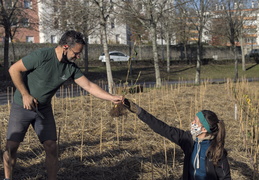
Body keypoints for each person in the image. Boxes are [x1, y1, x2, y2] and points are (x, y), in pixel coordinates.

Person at [3, 30, 123, 180]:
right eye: (76, 53)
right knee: (11, 147)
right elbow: (14, 69)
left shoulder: (70, 67)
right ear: (66, 47)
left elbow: (89, 86)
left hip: (43, 109)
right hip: (22, 106)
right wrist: (25, 94)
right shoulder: (42, 56)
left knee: (52, 147)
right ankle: (8, 178)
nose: (78, 56)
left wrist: (111, 97)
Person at [123, 98, 231, 180]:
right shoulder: (188, 141)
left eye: (195, 122)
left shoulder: (216, 151)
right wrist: (138, 111)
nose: (192, 123)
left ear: (203, 129)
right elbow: (163, 128)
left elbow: (225, 178)